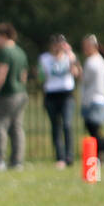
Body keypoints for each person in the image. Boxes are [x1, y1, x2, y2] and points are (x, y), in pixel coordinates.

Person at [0, 22, 29, 170]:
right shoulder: (20, 52)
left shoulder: (5, 51)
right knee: (17, 127)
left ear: (4, 36)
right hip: (21, 94)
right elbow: (24, 76)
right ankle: (17, 162)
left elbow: (1, 75)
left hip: (8, 94)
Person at [39, 34, 81, 168]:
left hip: (66, 94)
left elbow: (77, 73)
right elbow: (41, 77)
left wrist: (71, 56)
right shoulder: (44, 58)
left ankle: (69, 156)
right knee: (55, 126)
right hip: (51, 94)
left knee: (67, 125)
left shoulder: (70, 57)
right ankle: (60, 157)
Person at [80, 34, 104, 166]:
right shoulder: (101, 61)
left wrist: (77, 72)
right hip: (101, 99)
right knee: (95, 131)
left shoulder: (91, 62)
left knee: (94, 132)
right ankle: (100, 156)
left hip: (93, 100)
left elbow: (85, 80)